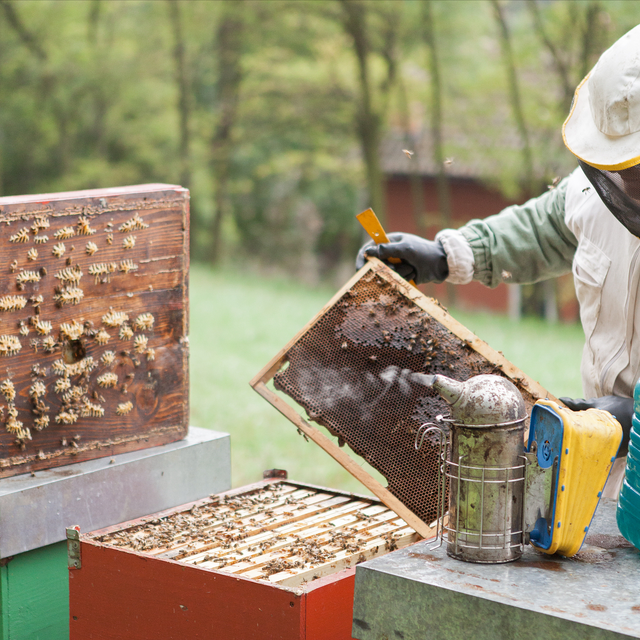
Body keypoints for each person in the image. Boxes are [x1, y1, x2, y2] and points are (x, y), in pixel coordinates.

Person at [357, 25, 640, 494]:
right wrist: (446, 255)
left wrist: (638, 418)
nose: (625, 185)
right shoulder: (598, 191)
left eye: (638, 167)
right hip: (606, 478)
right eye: (617, 168)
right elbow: (543, 226)